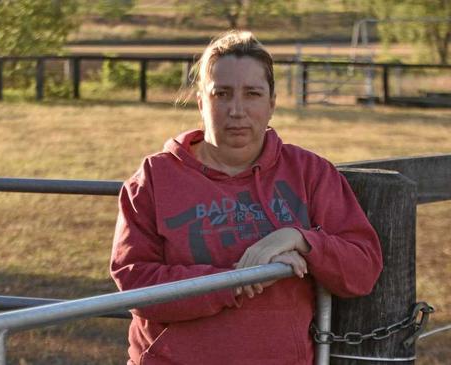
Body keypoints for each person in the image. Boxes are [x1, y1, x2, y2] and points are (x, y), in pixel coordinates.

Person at [110, 30, 383, 365]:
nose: (236, 110)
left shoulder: (309, 172)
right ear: (200, 102)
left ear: (271, 103)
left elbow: (363, 267)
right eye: (221, 94)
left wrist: (300, 240)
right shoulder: (155, 178)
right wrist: (238, 280)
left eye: (252, 94)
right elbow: (135, 283)